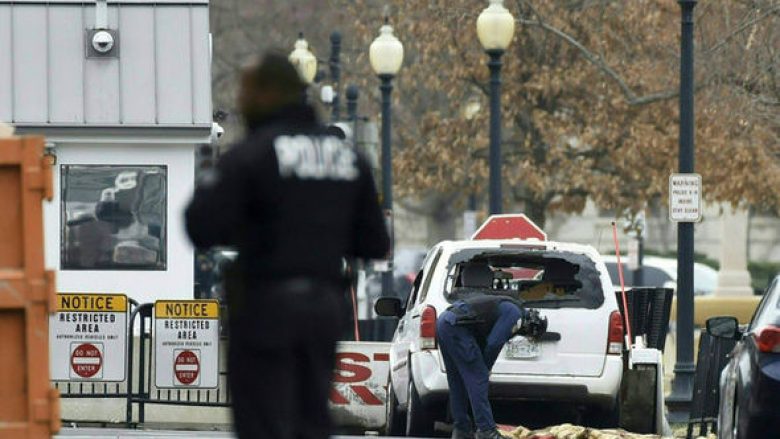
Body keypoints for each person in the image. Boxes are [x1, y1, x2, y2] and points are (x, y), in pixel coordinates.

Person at [185, 53, 389, 439]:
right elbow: (375, 242)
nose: (241, 101)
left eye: (246, 91)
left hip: (264, 307)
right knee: (311, 420)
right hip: (323, 308)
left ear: (267, 94)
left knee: (262, 422)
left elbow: (200, 226)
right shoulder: (349, 158)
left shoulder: (252, 154)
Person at [437, 263, 548, 439]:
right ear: (530, 326)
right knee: (478, 377)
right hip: (457, 328)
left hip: (445, 323)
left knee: (457, 379)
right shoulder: (514, 313)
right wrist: (485, 366)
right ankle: (485, 430)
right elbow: (494, 343)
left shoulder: (503, 304)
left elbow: (482, 332)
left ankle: (461, 429)